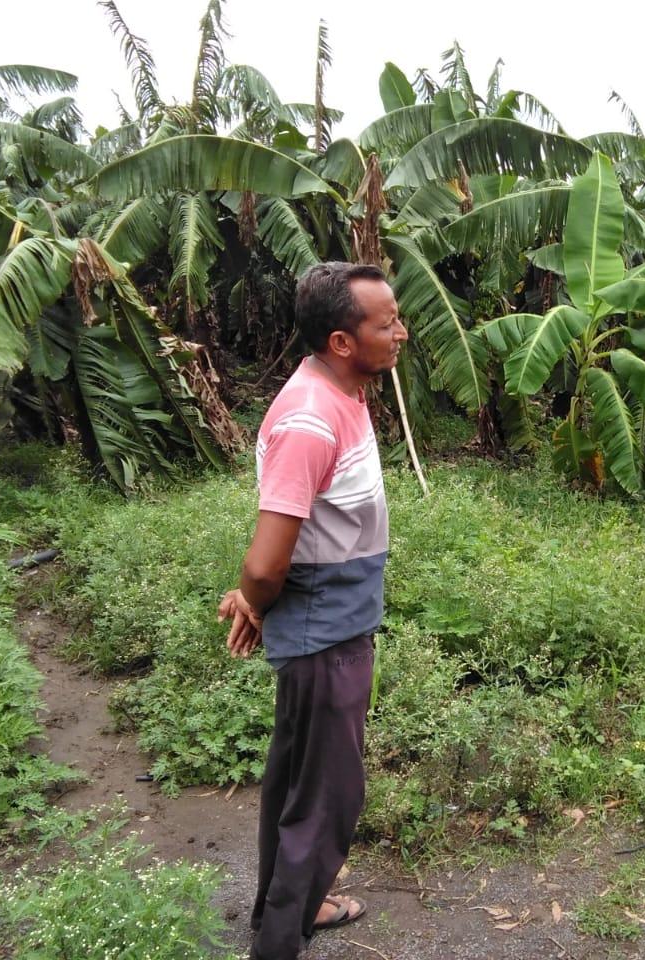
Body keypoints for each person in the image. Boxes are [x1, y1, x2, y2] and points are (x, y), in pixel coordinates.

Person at [218, 261, 408, 960]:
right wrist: (253, 595)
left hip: (333, 627)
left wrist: (259, 594)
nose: (400, 333)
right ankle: (278, 941)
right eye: (385, 324)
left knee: (297, 785)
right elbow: (269, 560)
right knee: (324, 801)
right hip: (325, 639)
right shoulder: (309, 419)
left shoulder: (343, 393)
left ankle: (287, 905)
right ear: (340, 341)